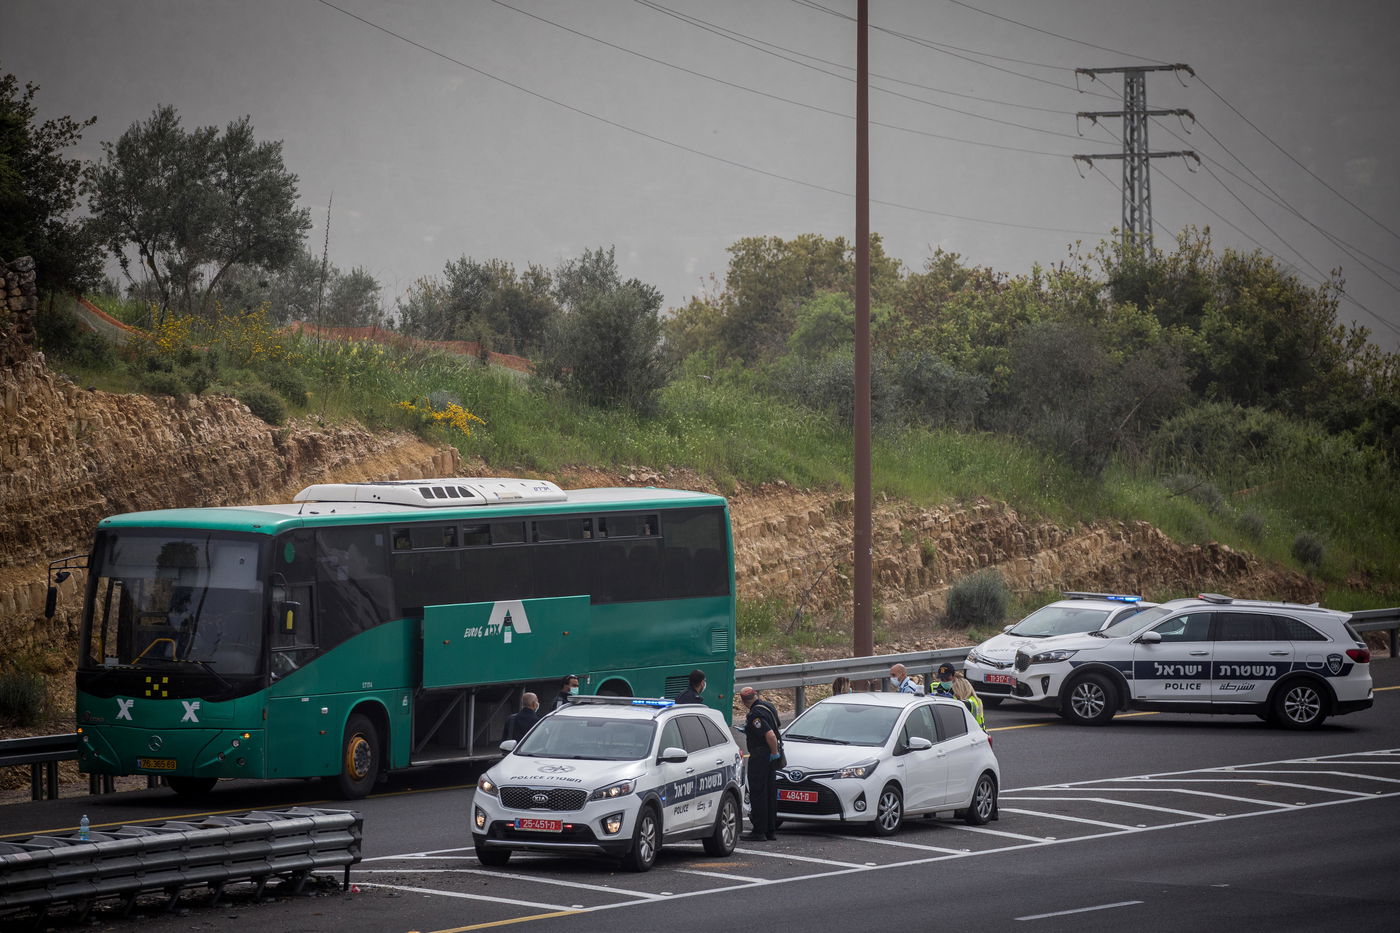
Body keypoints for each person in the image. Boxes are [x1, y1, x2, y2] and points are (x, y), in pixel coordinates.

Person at [739, 686, 781, 841]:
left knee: (758, 793)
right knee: (770, 792)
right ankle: (770, 830)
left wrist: (773, 752)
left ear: (743, 701)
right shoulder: (768, 706)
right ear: (755, 695)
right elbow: (776, 727)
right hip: (769, 757)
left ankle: (759, 831)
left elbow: (769, 734)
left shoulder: (755, 714)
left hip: (761, 756)